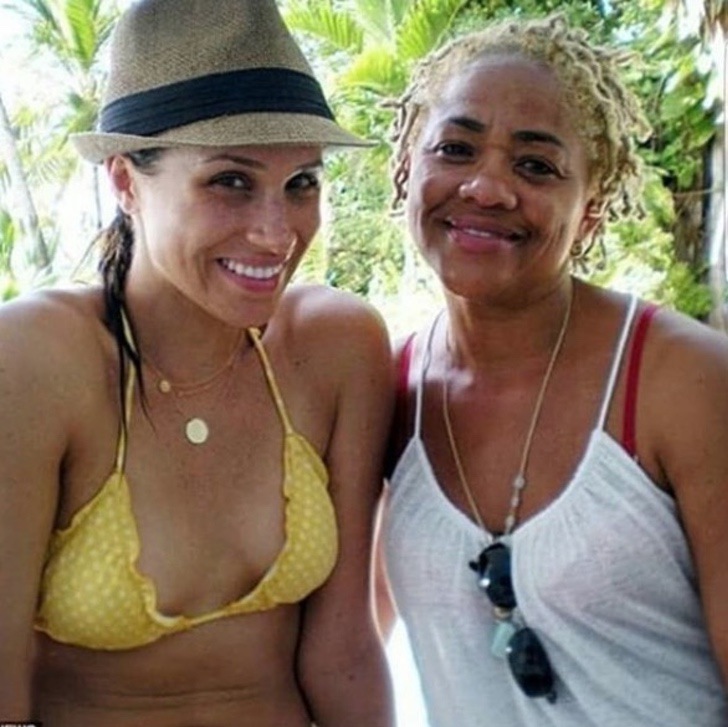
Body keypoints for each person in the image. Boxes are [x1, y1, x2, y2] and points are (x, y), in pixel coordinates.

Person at [0, 1, 395, 724]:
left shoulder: (338, 348)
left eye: (302, 183)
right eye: (231, 181)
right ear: (126, 182)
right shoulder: (36, 360)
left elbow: (343, 646)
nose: (276, 233)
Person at [378, 13, 728, 727]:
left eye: (535, 166)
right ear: (409, 167)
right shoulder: (389, 392)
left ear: (590, 211)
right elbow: (348, 642)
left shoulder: (682, 382)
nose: (486, 188)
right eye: (455, 149)